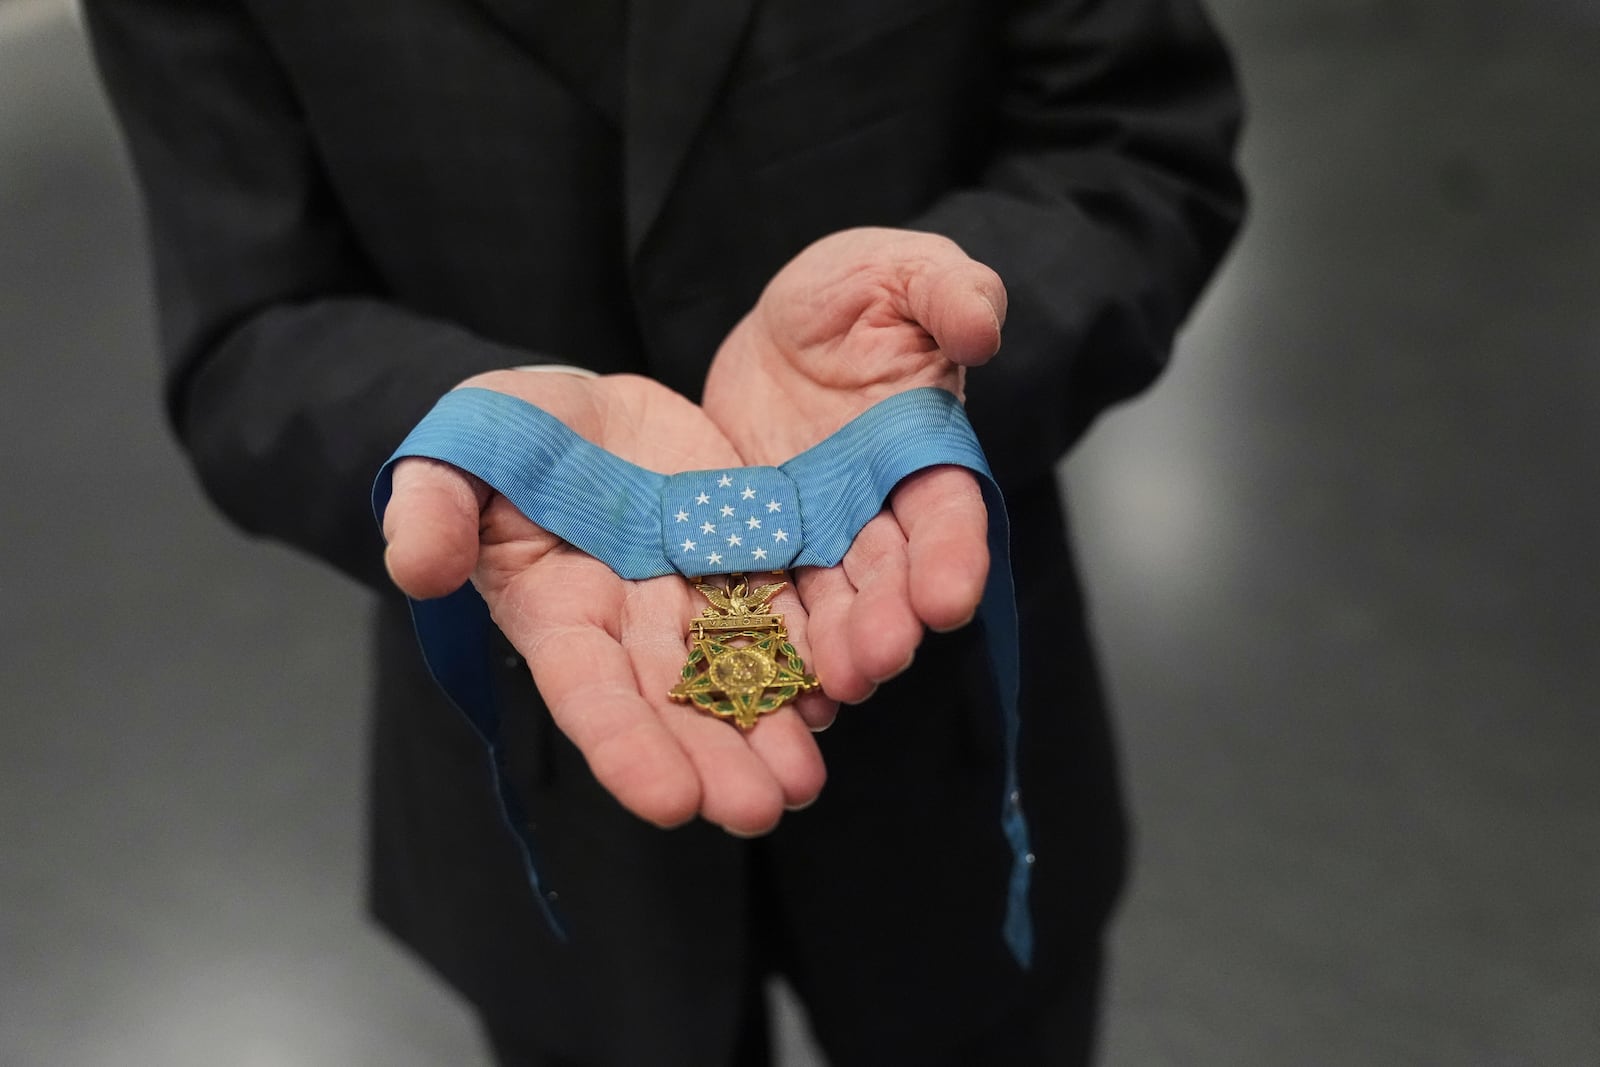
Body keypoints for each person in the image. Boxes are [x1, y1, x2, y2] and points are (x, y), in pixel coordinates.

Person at [84, 2, 1244, 1063]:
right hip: (547, 765)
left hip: (945, 725)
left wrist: (923, 380)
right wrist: (470, 440)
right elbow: (244, 338)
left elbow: (1135, 137)